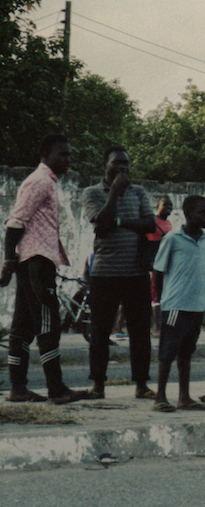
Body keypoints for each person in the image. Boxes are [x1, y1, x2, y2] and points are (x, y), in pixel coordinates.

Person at [5, 132, 81, 404]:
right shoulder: (40, 181)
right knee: (48, 322)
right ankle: (57, 389)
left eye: (69, 154)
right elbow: (15, 223)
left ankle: (18, 388)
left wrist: (12, 262)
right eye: (63, 154)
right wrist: (7, 261)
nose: (68, 159)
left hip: (32, 260)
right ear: (46, 155)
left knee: (22, 326)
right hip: (37, 262)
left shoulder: (46, 182)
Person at [81, 146, 157, 399]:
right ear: (105, 164)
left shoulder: (138, 192)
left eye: (126, 164)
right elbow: (101, 224)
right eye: (117, 164)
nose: (123, 168)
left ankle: (141, 385)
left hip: (135, 272)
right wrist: (113, 192)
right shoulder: (92, 193)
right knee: (100, 331)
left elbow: (149, 223)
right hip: (105, 272)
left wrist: (120, 223)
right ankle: (98, 384)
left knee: (139, 331)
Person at [151, 195, 205, 413]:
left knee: (187, 352)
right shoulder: (172, 239)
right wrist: (162, 301)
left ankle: (184, 396)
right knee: (168, 351)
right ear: (188, 214)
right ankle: (160, 396)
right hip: (175, 305)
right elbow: (158, 271)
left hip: (196, 306)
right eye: (203, 213)